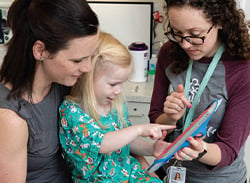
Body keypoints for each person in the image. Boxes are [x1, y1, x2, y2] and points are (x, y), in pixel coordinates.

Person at [149, 0, 250, 182]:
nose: (185, 44)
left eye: (195, 34)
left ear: (220, 21)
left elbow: (227, 151)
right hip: (170, 172)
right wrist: (170, 117)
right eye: (177, 33)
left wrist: (200, 149)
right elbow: (155, 117)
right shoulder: (168, 53)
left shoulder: (242, 70)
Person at [0, 0, 99, 182]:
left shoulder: (62, 81)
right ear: (40, 51)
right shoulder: (10, 118)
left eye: (91, 56)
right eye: (77, 60)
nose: (88, 68)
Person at [58, 32, 177, 182]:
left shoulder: (115, 104)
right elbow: (102, 144)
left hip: (129, 175)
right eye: (113, 84)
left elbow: (126, 141)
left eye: (122, 83)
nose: (119, 90)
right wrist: (139, 129)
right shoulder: (71, 112)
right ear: (87, 77)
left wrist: (151, 149)